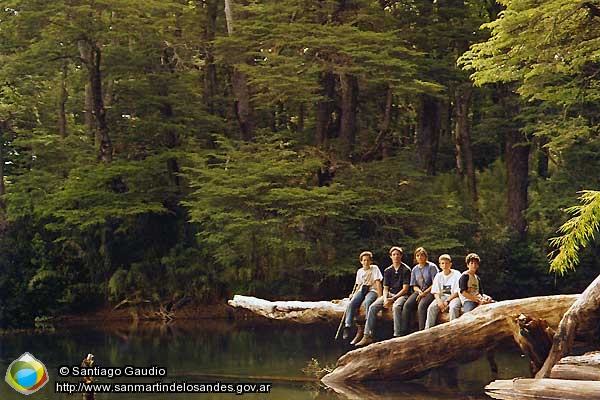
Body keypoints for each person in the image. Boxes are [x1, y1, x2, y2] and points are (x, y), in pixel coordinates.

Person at [355, 246, 411, 346]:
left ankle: (398, 335)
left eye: (398, 254)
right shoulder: (387, 270)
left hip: (402, 295)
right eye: (393, 254)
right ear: (390, 256)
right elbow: (385, 288)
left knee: (396, 307)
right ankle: (368, 335)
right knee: (372, 307)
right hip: (389, 294)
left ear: (401, 256)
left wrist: (392, 299)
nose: (396, 256)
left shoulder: (406, 270)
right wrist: (385, 299)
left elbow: (405, 289)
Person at [342, 251, 383, 343]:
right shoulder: (360, 271)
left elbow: (378, 282)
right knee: (352, 303)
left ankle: (368, 328)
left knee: (368, 301)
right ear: (361, 261)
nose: (366, 262)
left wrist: (380, 296)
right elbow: (358, 285)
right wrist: (353, 294)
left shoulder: (374, 268)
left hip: (372, 290)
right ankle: (347, 325)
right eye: (364, 260)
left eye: (368, 260)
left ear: (371, 261)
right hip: (362, 289)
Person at [400, 247, 439, 335]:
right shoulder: (414, 269)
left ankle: (422, 332)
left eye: (422, 255)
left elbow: (435, 284)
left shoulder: (432, 267)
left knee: (421, 306)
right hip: (419, 291)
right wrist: (419, 292)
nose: (420, 257)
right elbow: (414, 286)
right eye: (417, 255)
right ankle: (404, 332)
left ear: (425, 256)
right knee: (407, 305)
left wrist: (424, 293)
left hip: (431, 291)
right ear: (415, 257)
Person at [424, 254, 461, 329]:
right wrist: (439, 301)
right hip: (442, 297)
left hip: (454, 297)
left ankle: (452, 330)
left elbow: (457, 292)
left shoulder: (457, 274)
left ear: (450, 264)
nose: (445, 265)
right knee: (431, 308)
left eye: (447, 263)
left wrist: (447, 301)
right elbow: (435, 291)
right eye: (443, 263)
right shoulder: (438, 275)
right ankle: (428, 330)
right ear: (440, 265)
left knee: (453, 307)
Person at [452, 253, 493, 317]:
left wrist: (487, 297)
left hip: (479, 299)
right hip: (468, 300)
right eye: (471, 263)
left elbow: (481, 293)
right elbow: (463, 292)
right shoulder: (465, 276)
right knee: (470, 315)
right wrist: (477, 300)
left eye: (476, 263)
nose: (474, 265)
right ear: (468, 265)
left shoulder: (477, 278)